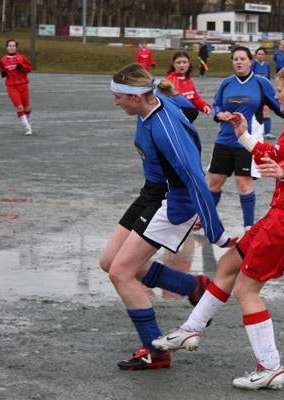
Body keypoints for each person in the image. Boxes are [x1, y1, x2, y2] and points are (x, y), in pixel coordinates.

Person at [153, 62, 284, 390]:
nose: (275, 97)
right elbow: (278, 152)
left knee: (246, 290)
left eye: (279, 91)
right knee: (228, 264)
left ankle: (270, 367)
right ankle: (190, 330)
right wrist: (244, 136)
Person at [100, 63, 236, 371]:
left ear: (135, 97)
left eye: (118, 96)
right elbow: (188, 109)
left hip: (172, 200)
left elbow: (194, 178)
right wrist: (173, 93)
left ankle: (155, 351)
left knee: (120, 273)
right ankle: (193, 287)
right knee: (109, 261)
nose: (116, 102)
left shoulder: (165, 128)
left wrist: (216, 232)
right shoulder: (159, 103)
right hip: (151, 193)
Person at [201, 46, 284, 232]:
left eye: (242, 58)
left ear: (250, 61)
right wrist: (219, 114)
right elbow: (216, 105)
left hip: (247, 143)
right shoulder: (226, 83)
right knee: (214, 182)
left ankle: (248, 226)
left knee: (243, 182)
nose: (238, 62)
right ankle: (207, 220)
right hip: (223, 141)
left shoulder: (261, 83)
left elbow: (279, 108)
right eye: (235, 59)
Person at [0, 39, 33, 136]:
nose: (11, 47)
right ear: (6, 47)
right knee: (19, 107)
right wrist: (3, 73)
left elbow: (29, 68)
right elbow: (2, 70)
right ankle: (27, 128)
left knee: (27, 107)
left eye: (13, 45)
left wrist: (22, 67)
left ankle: (27, 119)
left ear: (16, 47)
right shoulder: (2, 59)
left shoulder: (21, 58)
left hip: (23, 85)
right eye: (10, 45)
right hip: (11, 86)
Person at [165, 51, 211, 116]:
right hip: (175, 120)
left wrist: (204, 106)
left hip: (187, 120)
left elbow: (194, 98)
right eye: (178, 62)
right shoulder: (169, 81)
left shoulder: (188, 80)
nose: (182, 65)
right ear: (174, 64)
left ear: (189, 64)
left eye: (184, 62)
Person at [251, 47, 276, 140]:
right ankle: (253, 131)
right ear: (256, 55)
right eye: (259, 54)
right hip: (254, 91)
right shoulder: (252, 65)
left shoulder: (267, 65)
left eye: (262, 54)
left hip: (264, 92)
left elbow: (268, 79)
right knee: (254, 111)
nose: (260, 56)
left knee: (266, 110)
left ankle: (267, 132)